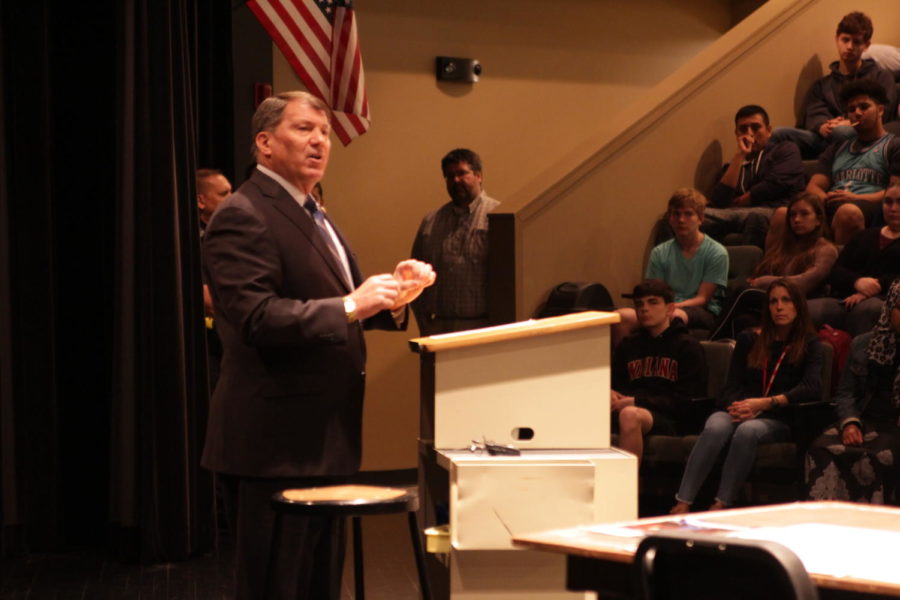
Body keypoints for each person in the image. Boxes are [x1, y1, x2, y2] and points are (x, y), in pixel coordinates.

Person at [201, 91, 435, 600]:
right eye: (304, 129)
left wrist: (394, 295)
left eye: (325, 133)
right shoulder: (243, 213)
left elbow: (340, 308)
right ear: (264, 143)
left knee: (318, 587)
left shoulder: (314, 213)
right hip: (273, 446)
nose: (319, 141)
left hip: (325, 441)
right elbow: (257, 317)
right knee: (276, 588)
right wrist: (353, 305)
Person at [671, 279, 824, 513]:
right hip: (742, 407)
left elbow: (811, 387)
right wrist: (739, 406)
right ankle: (683, 502)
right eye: (773, 301)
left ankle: (721, 503)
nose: (779, 307)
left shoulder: (811, 344)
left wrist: (765, 403)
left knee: (747, 431)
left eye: (786, 300)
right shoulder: (749, 339)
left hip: (780, 415)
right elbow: (732, 383)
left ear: (798, 306)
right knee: (715, 425)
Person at [806, 279, 900, 504]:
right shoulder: (862, 344)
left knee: (880, 456)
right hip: (865, 419)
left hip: (895, 425)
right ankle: (829, 522)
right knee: (821, 449)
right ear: (890, 308)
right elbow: (845, 393)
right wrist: (850, 422)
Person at [710, 194, 838, 341]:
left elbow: (805, 283)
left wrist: (765, 282)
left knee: (745, 293)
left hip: (801, 300)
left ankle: (710, 342)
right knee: (744, 321)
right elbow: (766, 270)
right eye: (792, 215)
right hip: (775, 298)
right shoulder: (787, 246)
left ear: (819, 220)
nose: (796, 220)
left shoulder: (826, 249)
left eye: (804, 214)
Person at [771, 11, 897, 159]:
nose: (850, 46)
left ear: (866, 45)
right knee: (779, 134)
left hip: (864, 134)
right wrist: (823, 125)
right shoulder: (823, 85)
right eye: (845, 40)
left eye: (856, 42)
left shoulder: (880, 76)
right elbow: (815, 112)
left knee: (842, 132)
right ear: (837, 39)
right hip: (826, 138)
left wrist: (850, 122)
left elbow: (886, 111)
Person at [613, 189, 728, 347]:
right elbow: (655, 291)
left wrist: (668, 307)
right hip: (664, 305)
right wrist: (658, 306)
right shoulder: (660, 252)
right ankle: (626, 368)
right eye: (676, 214)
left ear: (700, 218)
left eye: (688, 214)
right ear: (670, 219)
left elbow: (702, 299)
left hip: (700, 310)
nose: (681, 220)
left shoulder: (717, 252)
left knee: (672, 317)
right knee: (621, 317)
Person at [611, 280, 707, 463]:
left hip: (670, 417)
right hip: (632, 408)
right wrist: (611, 394)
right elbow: (617, 385)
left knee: (630, 415)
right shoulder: (628, 345)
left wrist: (637, 401)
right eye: (639, 304)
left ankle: (625, 489)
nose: (644, 309)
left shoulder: (687, 346)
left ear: (670, 309)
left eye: (653, 302)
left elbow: (687, 401)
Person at [411, 148, 499, 335]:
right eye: (450, 176)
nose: (456, 180)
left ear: (478, 175)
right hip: (438, 328)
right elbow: (414, 277)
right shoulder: (431, 222)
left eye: (462, 173)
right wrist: (424, 325)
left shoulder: (497, 217)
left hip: (483, 328)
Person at [805, 79, 900, 245]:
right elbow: (814, 186)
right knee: (783, 213)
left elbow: (895, 193)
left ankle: (844, 267)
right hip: (832, 204)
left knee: (848, 212)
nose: (857, 113)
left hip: (870, 207)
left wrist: (854, 198)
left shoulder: (894, 145)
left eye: (864, 107)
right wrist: (828, 197)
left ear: (880, 110)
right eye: (851, 109)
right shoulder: (837, 148)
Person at [703, 105, 805, 248]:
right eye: (743, 129)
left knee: (755, 217)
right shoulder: (731, 166)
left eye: (756, 127)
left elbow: (777, 183)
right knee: (680, 217)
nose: (749, 134)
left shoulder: (785, 150)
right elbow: (719, 200)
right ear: (736, 133)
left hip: (773, 211)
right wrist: (740, 155)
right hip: (734, 214)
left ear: (769, 130)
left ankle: (750, 268)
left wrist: (742, 200)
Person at [807, 184, 900, 337]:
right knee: (806, 310)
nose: (893, 208)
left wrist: (873, 288)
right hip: (846, 300)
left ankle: (856, 358)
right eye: (888, 202)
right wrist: (857, 282)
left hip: (886, 303)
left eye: (899, 202)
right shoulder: (863, 236)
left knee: (869, 309)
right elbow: (836, 272)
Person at [196, 168, 233, 388]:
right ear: (201, 201)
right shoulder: (196, 243)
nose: (232, 199)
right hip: (209, 351)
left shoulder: (225, 237)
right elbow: (207, 299)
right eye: (223, 194)